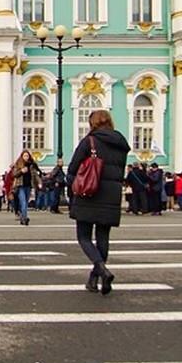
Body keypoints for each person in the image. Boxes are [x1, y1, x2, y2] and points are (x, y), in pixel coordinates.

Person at [67, 109, 129, 295]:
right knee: (103, 238)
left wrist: (72, 185)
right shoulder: (121, 144)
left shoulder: (90, 141)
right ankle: (95, 279)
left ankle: (101, 268)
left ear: (92, 123)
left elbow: (73, 168)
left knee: (84, 237)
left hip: (89, 192)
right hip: (111, 195)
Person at [10, 150, 42, 225]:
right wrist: (21, 171)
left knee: (25, 203)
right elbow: (14, 174)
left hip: (28, 186)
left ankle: (22, 217)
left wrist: (39, 183)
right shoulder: (18, 163)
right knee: (23, 202)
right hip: (20, 186)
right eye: (24, 156)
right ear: (22, 156)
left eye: (27, 156)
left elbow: (35, 175)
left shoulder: (31, 165)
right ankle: (24, 218)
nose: (26, 157)